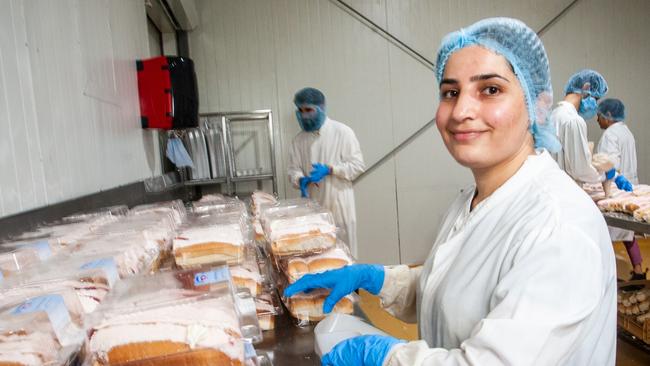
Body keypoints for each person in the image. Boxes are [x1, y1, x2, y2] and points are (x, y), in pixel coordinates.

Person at [284, 18, 616, 365]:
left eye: (490, 90)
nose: (461, 111)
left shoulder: (560, 228)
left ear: (539, 104)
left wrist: (384, 357)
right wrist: (378, 279)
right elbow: (453, 288)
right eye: (450, 92)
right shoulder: (471, 202)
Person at [288, 87, 365, 256]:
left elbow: (358, 166)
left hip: (340, 209)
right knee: (318, 258)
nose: (304, 115)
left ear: (321, 108)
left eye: (308, 110)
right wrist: (300, 180)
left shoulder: (343, 132)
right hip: (313, 210)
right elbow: (293, 170)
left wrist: (331, 169)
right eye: (300, 110)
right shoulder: (299, 140)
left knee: (345, 258)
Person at [553, 69, 633, 191]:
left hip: (555, 190)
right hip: (567, 192)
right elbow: (580, 170)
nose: (595, 106)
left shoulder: (555, 115)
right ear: (586, 88)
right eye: (595, 99)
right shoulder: (573, 120)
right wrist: (606, 174)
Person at [597, 98, 645, 281]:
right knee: (628, 233)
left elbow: (610, 165)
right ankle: (638, 270)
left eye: (599, 116)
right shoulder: (626, 132)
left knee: (606, 234)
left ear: (608, 116)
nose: (597, 120)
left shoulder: (610, 134)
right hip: (629, 186)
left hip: (615, 188)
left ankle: (608, 276)